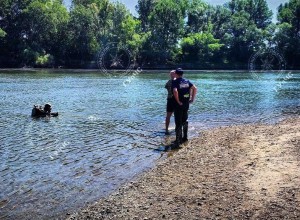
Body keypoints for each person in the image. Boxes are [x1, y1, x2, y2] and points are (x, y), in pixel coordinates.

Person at [172, 68, 197, 146]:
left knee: (178, 122)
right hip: (186, 103)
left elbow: (175, 91)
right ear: (182, 74)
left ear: (176, 74)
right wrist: (192, 99)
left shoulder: (175, 81)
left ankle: (178, 140)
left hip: (178, 105)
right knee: (184, 120)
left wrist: (178, 101)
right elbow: (195, 88)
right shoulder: (187, 81)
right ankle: (185, 137)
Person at [165, 70, 176, 135]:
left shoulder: (168, 82)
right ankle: (176, 128)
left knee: (168, 115)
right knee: (177, 115)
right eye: (171, 74)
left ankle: (166, 129)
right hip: (176, 100)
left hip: (169, 99)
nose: (171, 75)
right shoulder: (178, 81)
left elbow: (166, 87)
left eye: (172, 74)